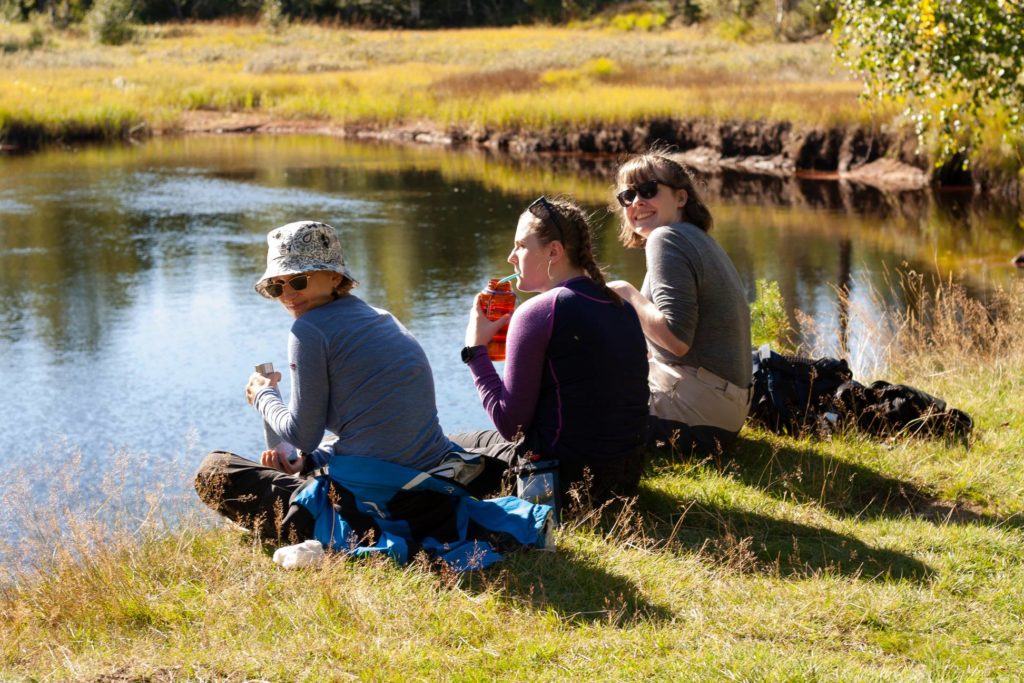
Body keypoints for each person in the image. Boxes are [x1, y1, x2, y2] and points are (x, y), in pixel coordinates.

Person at [194, 220, 456, 541]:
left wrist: (264, 396)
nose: (287, 295)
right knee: (320, 451)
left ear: (334, 277)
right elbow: (370, 429)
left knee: (214, 470)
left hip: (382, 491)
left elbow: (302, 435)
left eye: (298, 280)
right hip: (428, 471)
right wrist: (306, 461)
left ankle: (326, 525)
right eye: (277, 286)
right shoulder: (379, 317)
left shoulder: (309, 330)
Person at [453, 196, 650, 506]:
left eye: (520, 246)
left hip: (557, 485)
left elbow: (510, 426)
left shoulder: (540, 311)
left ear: (554, 251)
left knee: (447, 449)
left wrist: (475, 350)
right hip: (623, 482)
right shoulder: (620, 306)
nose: (510, 257)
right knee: (466, 441)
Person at [607, 151, 752, 456]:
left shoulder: (666, 239)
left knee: (576, 406)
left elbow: (677, 340)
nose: (636, 202)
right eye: (627, 195)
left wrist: (627, 293)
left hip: (702, 408)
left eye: (648, 190)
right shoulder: (696, 237)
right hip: (722, 405)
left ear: (681, 198)